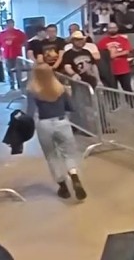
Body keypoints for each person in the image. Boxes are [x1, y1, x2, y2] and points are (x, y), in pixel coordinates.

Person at [25, 63, 87, 200]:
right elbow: (71, 107)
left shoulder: (32, 90)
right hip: (62, 122)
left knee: (52, 156)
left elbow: (30, 112)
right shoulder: (60, 88)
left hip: (44, 124)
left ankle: (63, 187)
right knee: (69, 154)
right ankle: (74, 177)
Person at [97, 22, 134, 91]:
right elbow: (100, 55)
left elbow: (127, 51)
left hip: (124, 70)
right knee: (112, 91)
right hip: (110, 71)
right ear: (107, 29)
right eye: (110, 28)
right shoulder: (102, 41)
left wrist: (113, 54)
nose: (112, 29)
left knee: (128, 90)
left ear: (117, 28)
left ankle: (130, 99)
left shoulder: (123, 39)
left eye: (114, 28)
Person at [0, 19, 27, 90]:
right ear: (6, 25)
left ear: (13, 24)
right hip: (7, 55)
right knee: (9, 71)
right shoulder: (1, 34)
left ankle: (19, 85)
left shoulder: (19, 33)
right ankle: (12, 85)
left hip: (17, 55)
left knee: (18, 70)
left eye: (11, 24)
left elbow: (25, 42)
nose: (10, 25)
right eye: (8, 24)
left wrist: (19, 45)